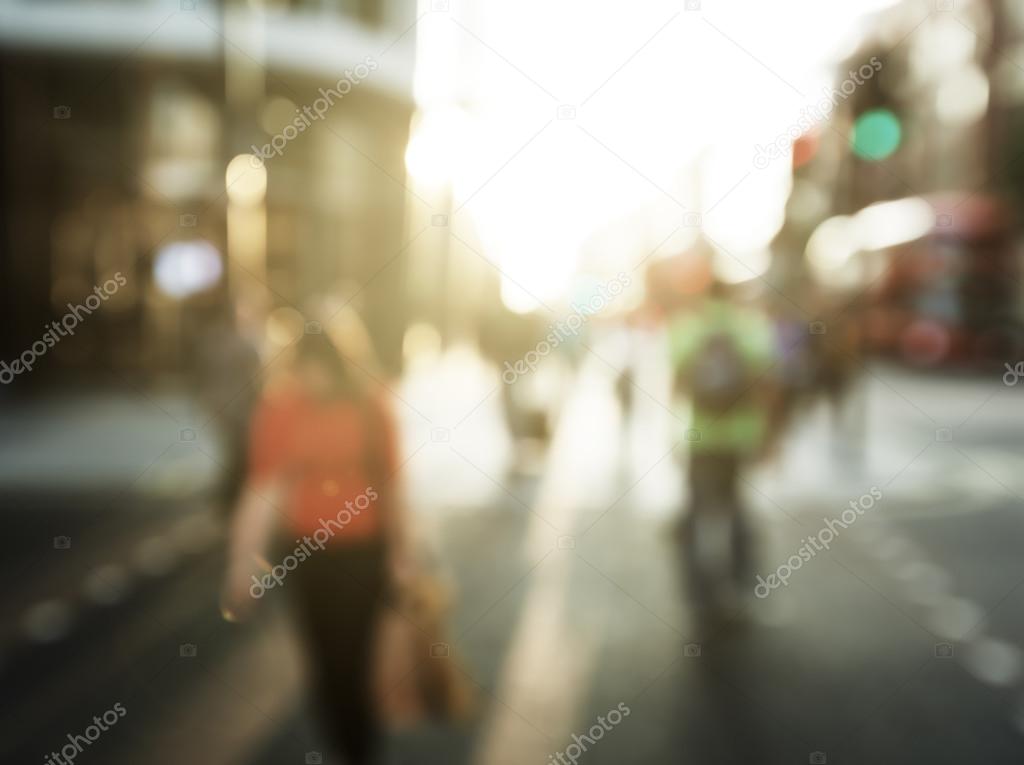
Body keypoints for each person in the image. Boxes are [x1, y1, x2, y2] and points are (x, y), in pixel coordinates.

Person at [222, 329, 406, 765]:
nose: (313, 380)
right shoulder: (281, 409)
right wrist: (242, 563)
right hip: (306, 554)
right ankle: (342, 746)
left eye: (321, 370)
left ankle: (359, 748)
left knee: (353, 661)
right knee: (323, 659)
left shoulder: (372, 405)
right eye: (305, 370)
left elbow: (393, 487)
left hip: (364, 553)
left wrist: (403, 555)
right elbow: (262, 490)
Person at [668, 279, 778, 617]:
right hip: (741, 434)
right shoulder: (750, 326)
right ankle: (742, 583)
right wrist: (769, 435)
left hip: (701, 436)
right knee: (737, 507)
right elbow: (768, 384)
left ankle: (697, 588)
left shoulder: (687, 327)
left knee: (696, 508)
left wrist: (672, 435)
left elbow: (678, 383)